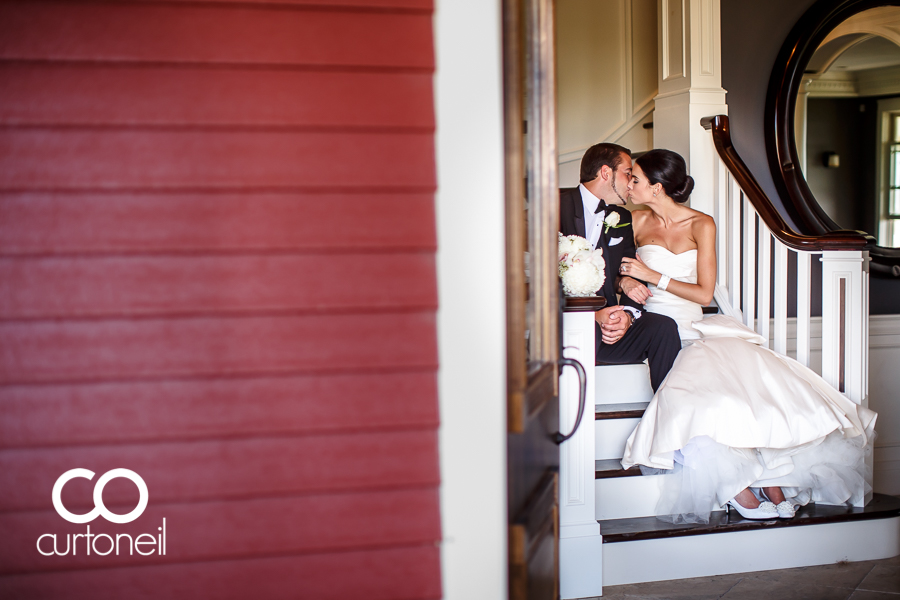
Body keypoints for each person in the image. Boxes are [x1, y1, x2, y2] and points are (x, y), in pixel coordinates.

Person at [618, 149, 877, 522]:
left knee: (750, 391)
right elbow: (618, 268)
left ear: (657, 188)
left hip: (696, 327)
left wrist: (654, 276)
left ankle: (772, 480)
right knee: (705, 402)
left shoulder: (701, 224)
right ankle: (738, 486)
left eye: (636, 179)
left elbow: (705, 294)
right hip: (655, 328)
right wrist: (627, 279)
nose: (629, 184)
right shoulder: (635, 221)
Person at [560, 143, 681, 391]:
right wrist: (592, 315)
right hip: (567, 322)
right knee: (584, 331)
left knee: (664, 328)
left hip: (610, 325)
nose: (630, 184)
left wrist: (626, 312)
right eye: (627, 173)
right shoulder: (555, 208)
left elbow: (628, 268)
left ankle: (668, 413)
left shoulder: (622, 218)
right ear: (606, 173)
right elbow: (544, 280)